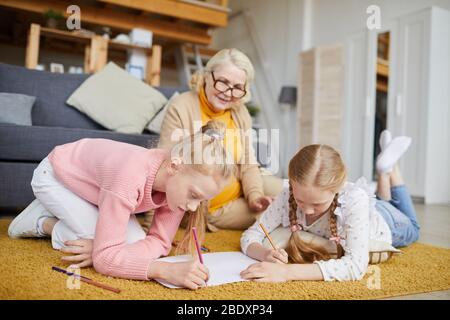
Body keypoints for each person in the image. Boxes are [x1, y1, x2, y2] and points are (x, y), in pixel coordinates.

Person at [8, 121, 233, 290]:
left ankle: (74, 220)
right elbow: (105, 261)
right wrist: (162, 269)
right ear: (175, 166)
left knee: (132, 243)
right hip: (56, 177)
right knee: (113, 246)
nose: (193, 208)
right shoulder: (129, 176)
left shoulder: (178, 184)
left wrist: (114, 252)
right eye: (193, 195)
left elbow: (160, 243)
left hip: (97, 191)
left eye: (200, 201)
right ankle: (40, 221)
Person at [240, 131, 419, 282]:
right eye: (301, 201)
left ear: (338, 189)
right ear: (292, 184)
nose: (307, 210)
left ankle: (390, 168)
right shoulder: (287, 194)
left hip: (388, 223)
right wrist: (264, 254)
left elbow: (355, 266)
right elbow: (252, 234)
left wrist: (287, 272)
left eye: (317, 204)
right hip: (366, 210)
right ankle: (385, 170)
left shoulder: (353, 200)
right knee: (382, 199)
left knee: (413, 226)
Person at [143, 48, 283, 232]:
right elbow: (164, 165)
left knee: (289, 191)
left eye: (237, 87)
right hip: (210, 205)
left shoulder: (240, 113)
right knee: (276, 214)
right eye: (223, 82)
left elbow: (248, 164)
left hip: (238, 185)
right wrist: (149, 228)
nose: (228, 93)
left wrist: (255, 197)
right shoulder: (182, 106)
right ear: (206, 76)